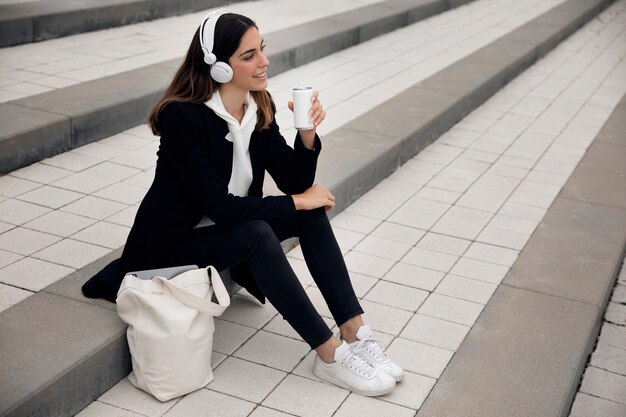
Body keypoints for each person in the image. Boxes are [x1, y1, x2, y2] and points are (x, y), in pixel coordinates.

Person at [82, 10, 404, 397]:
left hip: (221, 238)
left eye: (261, 49)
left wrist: (306, 135)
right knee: (263, 228)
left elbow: (294, 181)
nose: (264, 61)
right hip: (168, 248)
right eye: (248, 55)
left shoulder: (257, 104)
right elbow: (224, 209)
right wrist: (296, 201)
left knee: (309, 211)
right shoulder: (181, 118)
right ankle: (328, 355)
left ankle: (354, 331)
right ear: (217, 66)